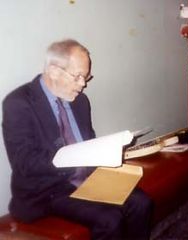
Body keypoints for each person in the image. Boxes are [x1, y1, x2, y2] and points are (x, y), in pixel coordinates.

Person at [2, 39, 153, 239]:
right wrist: (74, 160)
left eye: (86, 77)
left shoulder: (80, 101)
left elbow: (89, 141)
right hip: (47, 191)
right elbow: (25, 163)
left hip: (87, 180)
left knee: (142, 202)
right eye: (78, 76)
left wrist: (110, 151)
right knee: (109, 219)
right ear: (54, 71)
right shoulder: (19, 103)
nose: (83, 85)